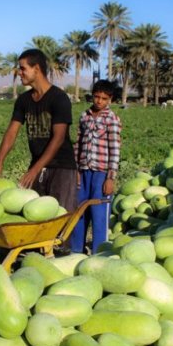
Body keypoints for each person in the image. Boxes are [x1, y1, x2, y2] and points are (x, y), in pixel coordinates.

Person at [0, 49, 78, 213]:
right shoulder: (24, 100)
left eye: (22, 68)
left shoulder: (58, 98)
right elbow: (11, 133)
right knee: (35, 218)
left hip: (61, 168)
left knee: (60, 220)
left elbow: (59, 138)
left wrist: (34, 170)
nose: (19, 73)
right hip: (37, 166)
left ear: (37, 68)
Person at [70, 80, 121, 254]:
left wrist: (110, 177)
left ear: (110, 99)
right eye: (97, 97)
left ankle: (100, 253)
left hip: (101, 173)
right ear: (92, 96)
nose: (99, 101)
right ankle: (76, 250)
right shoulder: (84, 116)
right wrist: (76, 169)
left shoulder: (111, 119)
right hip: (84, 171)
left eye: (104, 98)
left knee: (99, 214)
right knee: (80, 211)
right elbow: (78, 144)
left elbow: (114, 149)